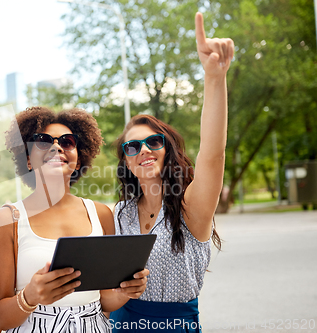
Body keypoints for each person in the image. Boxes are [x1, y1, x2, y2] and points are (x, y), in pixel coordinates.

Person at [109, 13, 234, 332]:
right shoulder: (119, 215)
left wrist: (214, 79)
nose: (143, 150)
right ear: (126, 162)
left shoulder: (191, 207)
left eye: (153, 141)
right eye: (132, 147)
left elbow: (212, 154)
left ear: (169, 150)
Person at [0, 107, 150, 332]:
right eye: (43, 141)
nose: (56, 147)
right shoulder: (6, 220)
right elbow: (2, 319)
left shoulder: (101, 214)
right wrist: (30, 297)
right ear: (28, 161)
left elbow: (104, 302)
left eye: (67, 141)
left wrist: (125, 292)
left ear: (79, 160)